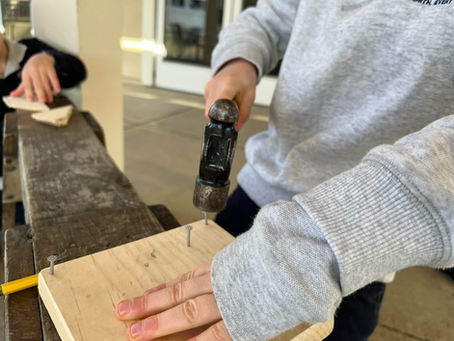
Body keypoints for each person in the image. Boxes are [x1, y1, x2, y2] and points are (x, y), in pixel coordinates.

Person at [116, 1, 454, 340]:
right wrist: (240, 61)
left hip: (362, 243)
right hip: (267, 182)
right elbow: (272, 16)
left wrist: (310, 253)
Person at [0, 32, 86, 224]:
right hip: (9, 169)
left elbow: (77, 72)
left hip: (44, 157)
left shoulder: (29, 49)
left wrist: (47, 59)